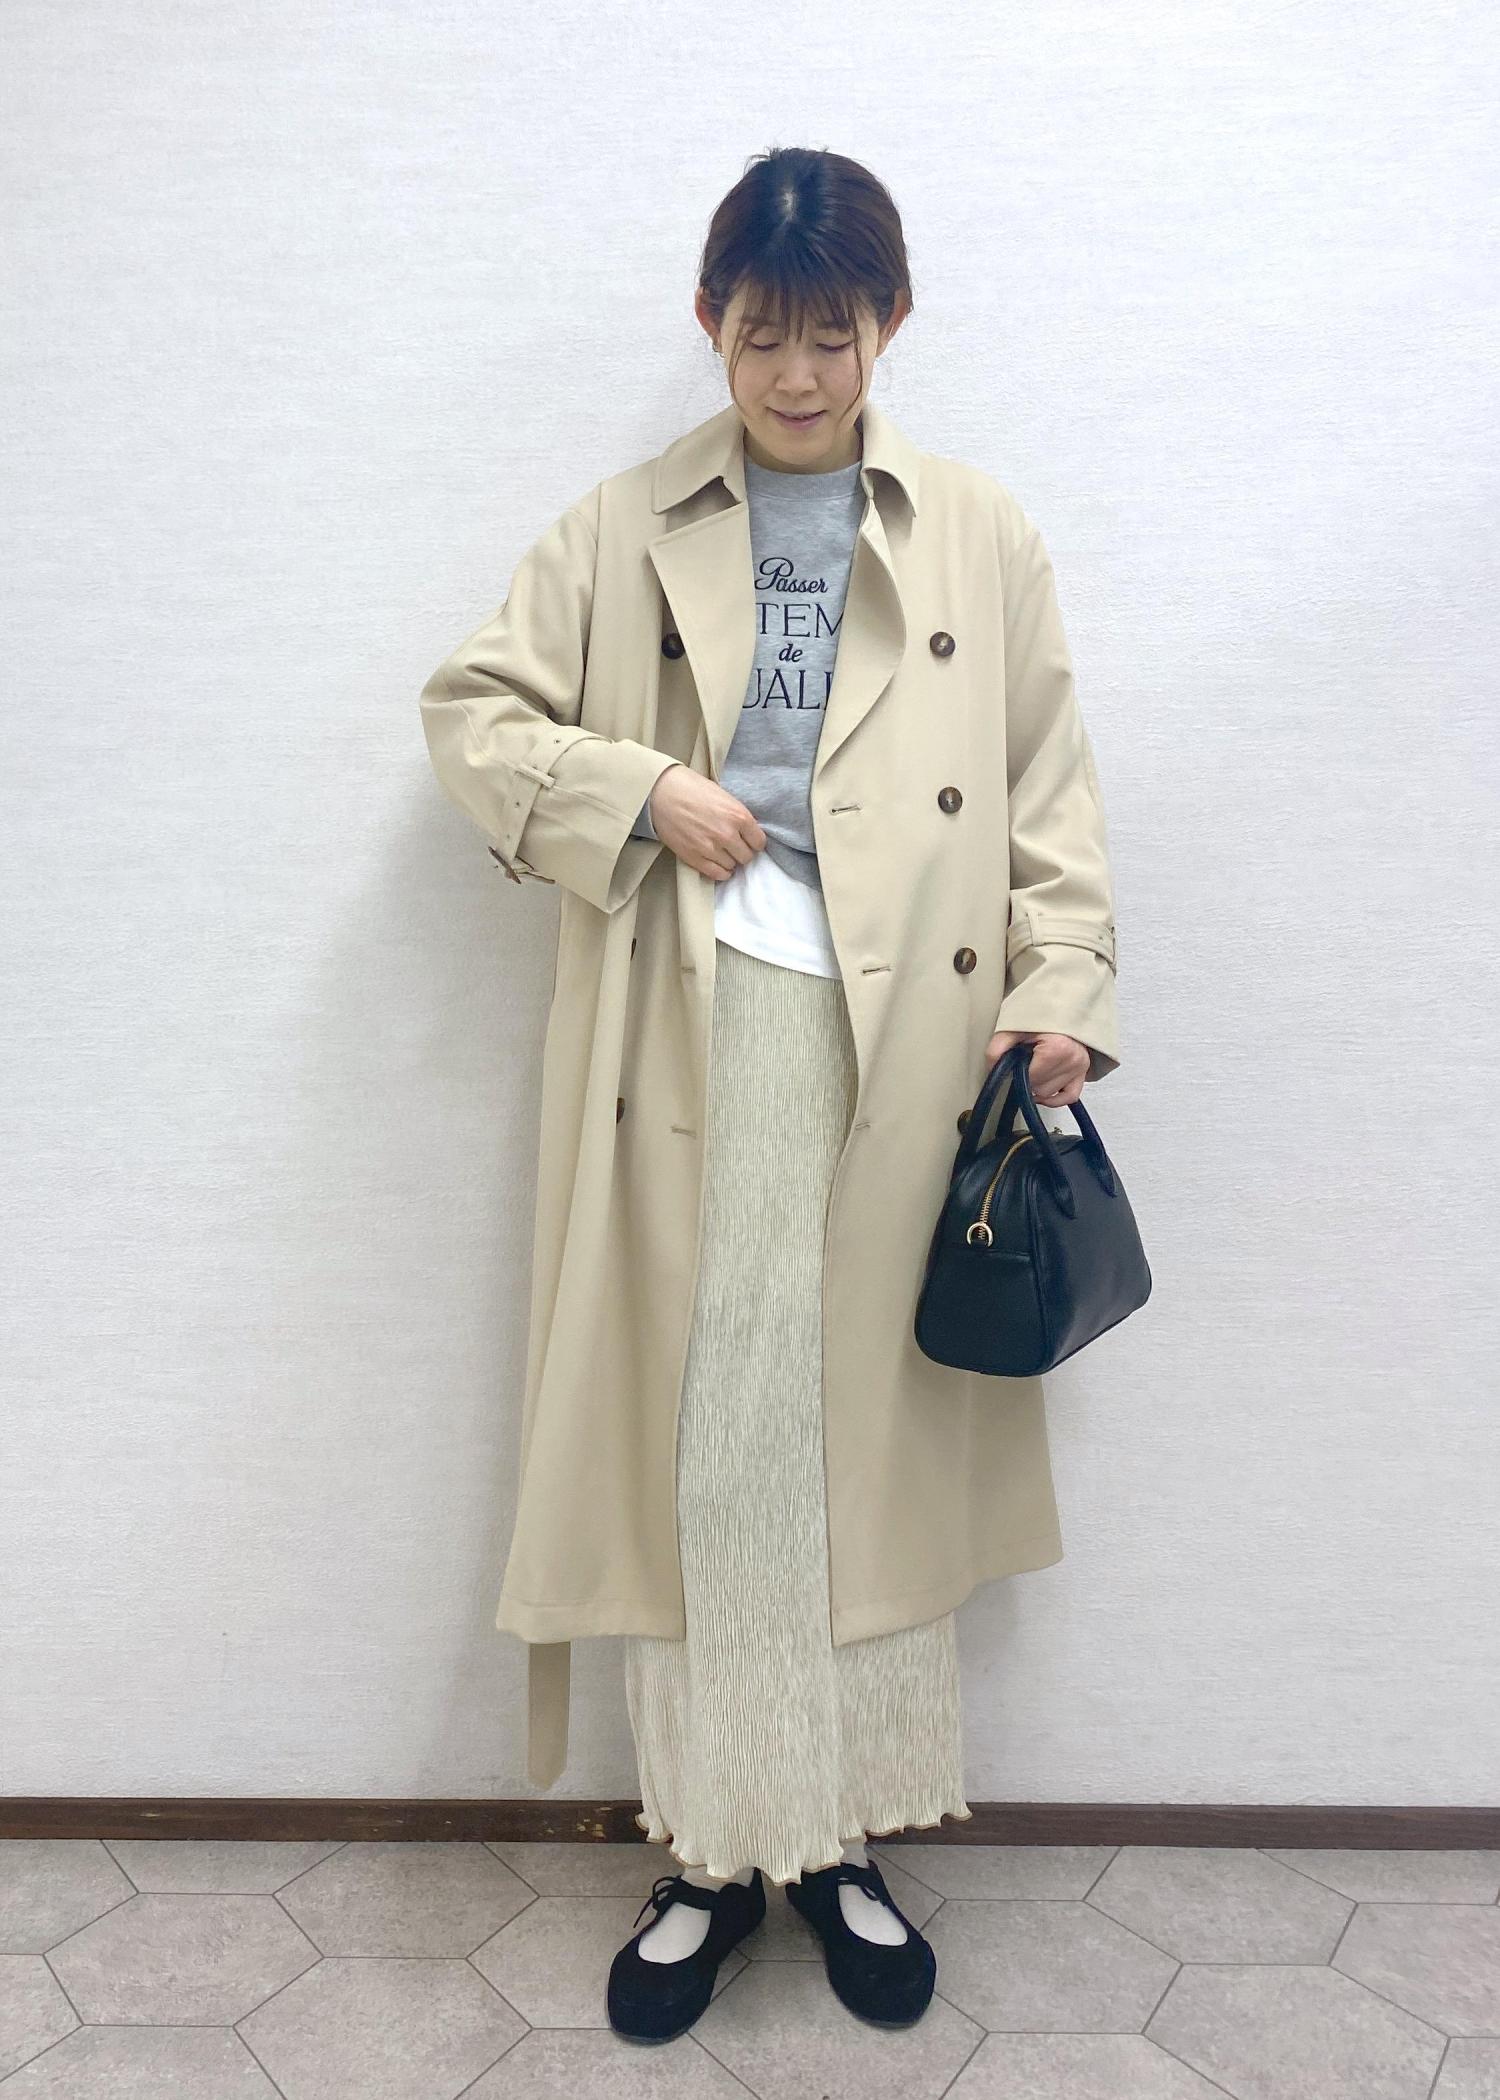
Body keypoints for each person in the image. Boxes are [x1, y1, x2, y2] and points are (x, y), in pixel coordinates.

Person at [419, 145, 1121, 2044]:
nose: (797, 373)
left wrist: (1060, 990)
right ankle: (711, 1850)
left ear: (891, 324)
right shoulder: (625, 524)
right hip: (698, 1015)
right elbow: (471, 713)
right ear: (708, 325)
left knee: (864, 1449)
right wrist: (639, 790)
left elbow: (1046, 787)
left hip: (917, 1038)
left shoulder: (978, 530)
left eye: (831, 332)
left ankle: (845, 1837)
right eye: (760, 333)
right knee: (717, 1443)